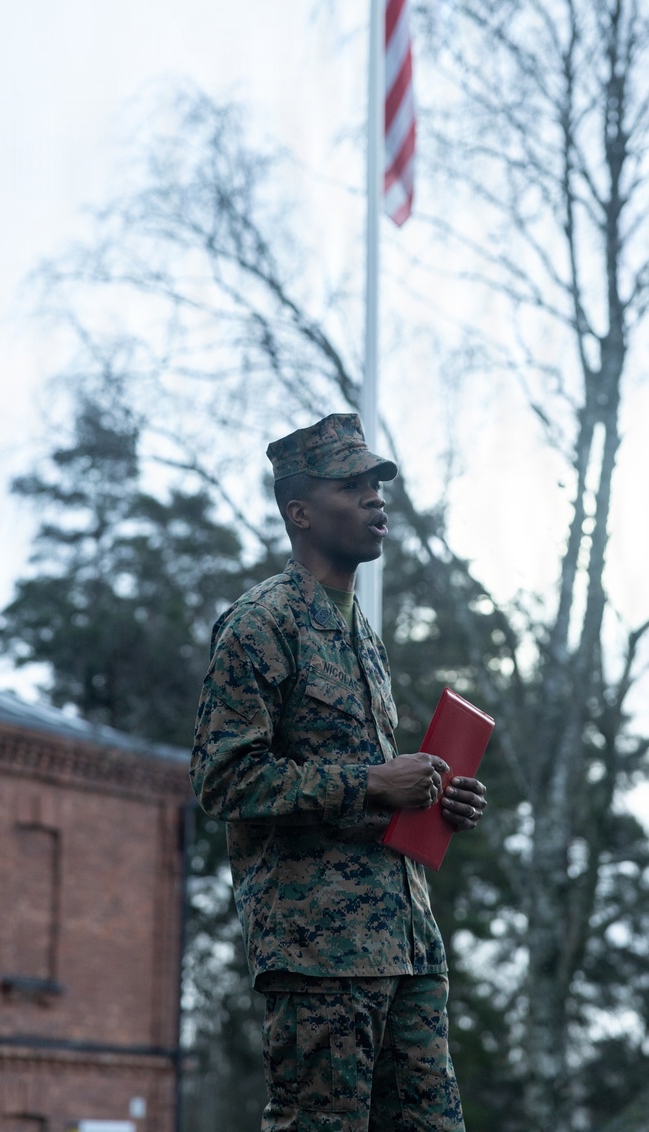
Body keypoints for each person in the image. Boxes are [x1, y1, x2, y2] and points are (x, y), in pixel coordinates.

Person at [190, 412, 487, 1131]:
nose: (375, 501)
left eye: (376, 487)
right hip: (319, 950)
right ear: (300, 512)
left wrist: (434, 798)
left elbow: (370, 781)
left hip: (407, 940)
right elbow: (223, 781)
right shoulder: (261, 624)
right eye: (353, 488)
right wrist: (370, 783)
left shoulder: (363, 634)